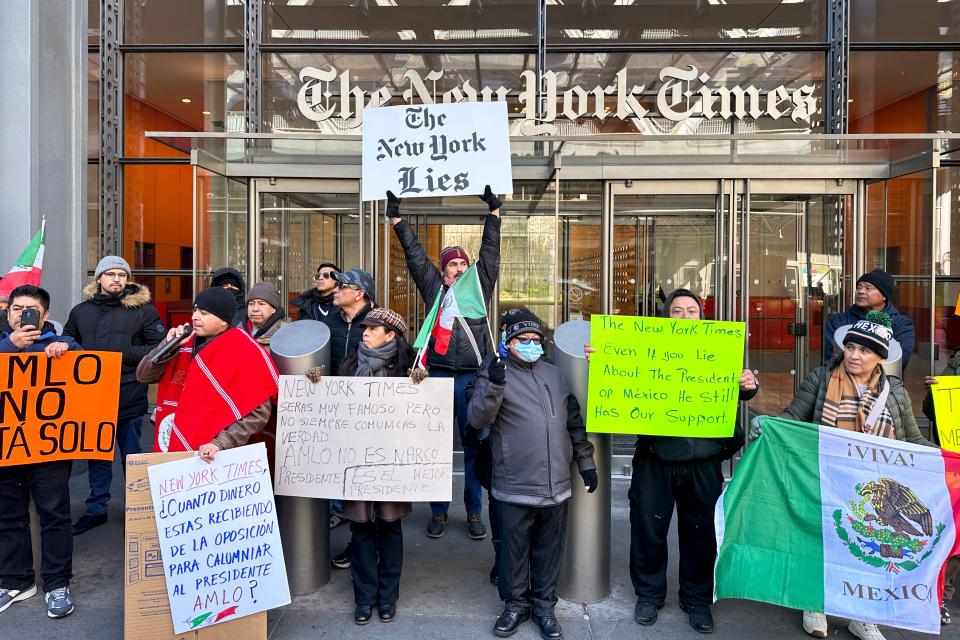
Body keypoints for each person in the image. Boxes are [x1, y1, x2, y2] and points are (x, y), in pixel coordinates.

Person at [585, 289, 757, 635]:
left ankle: (696, 599)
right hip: (655, 458)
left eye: (691, 310)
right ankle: (649, 594)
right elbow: (620, 377)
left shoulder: (718, 350)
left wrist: (748, 385)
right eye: (676, 311)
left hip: (704, 460)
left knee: (702, 532)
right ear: (667, 318)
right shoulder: (649, 349)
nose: (684, 316)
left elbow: (738, 390)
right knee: (648, 529)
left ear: (701, 316)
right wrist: (602, 361)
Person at [775, 310, 933, 640]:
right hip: (827, 478)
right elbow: (793, 417)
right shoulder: (820, 379)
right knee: (821, 541)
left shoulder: (896, 393)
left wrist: (943, 457)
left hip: (879, 490)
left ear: (879, 358)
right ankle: (814, 604)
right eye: (851, 348)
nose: (855, 356)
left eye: (865, 351)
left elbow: (912, 439)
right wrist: (770, 426)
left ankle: (863, 616)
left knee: (871, 546)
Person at [468, 311, 597, 640]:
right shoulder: (494, 374)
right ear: (508, 343)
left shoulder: (555, 375)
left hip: (556, 486)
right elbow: (478, 419)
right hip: (514, 485)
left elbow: (574, 424)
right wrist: (495, 384)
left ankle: (544, 607)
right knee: (513, 551)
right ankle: (515, 605)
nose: (531, 345)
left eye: (536, 341)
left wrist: (586, 463)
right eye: (523, 341)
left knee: (548, 551)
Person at [387, 186, 502, 540]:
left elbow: (491, 253)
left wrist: (494, 213)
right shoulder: (434, 287)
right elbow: (415, 257)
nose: (457, 268)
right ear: (444, 268)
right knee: (434, 448)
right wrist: (398, 220)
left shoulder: (479, 288)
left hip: (471, 379)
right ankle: (438, 512)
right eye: (451, 263)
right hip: (437, 376)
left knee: (473, 446)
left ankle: (472, 511)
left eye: (462, 263)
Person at [63, 256, 165, 535]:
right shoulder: (80, 311)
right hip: (93, 396)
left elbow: (158, 348)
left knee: (131, 455)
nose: (117, 279)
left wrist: (120, 354)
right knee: (97, 455)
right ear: (99, 279)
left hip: (129, 393)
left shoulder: (143, 311)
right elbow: (68, 341)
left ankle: (139, 509)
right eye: (110, 274)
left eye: (122, 274)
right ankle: (97, 509)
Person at [0, 285, 80, 619]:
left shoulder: (64, 345)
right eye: (16, 308)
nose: (22, 314)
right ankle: (17, 581)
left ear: (45, 315)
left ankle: (57, 583)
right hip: (7, 447)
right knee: (8, 517)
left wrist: (70, 352)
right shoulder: (3, 344)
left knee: (55, 515)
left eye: (30, 309)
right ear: (7, 313)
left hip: (50, 450)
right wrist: (9, 347)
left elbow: (89, 379)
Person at [337, 307, 416, 625]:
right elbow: (334, 404)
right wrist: (317, 382)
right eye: (364, 328)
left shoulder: (407, 370)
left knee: (390, 528)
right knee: (361, 530)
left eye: (373, 328)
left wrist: (420, 387)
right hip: (356, 461)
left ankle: (388, 597)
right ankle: (364, 597)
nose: (365, 332)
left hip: (392, 462)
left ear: (391, 335)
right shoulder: (350, 363)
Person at [136, 287, 278, 459]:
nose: (195, 317)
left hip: (219, 454)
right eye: (195, 310)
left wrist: (221, 442)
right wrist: (167, 345)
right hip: (174, 443)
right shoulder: (182, 342)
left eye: (203, 313)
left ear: (223, 320)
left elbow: (258, 412)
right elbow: (143, 376)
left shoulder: (244, 350)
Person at [921, 348, 960, 626]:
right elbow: (930, 410)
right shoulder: (956, 361)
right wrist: (934, 391)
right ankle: (942, 595)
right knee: (954, 534)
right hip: (955, 460)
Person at [824, 269, 915, 372]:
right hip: (842, 383)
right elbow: (831, 358)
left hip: (885, 385)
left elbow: (899, 361)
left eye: (868, 288)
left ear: (884, 296)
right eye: (859, 288)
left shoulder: (901, 324)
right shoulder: (838, 321)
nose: (861, 292)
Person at [328, 268, 376, 376]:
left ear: (359, 294)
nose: (335, 290)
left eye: (342, 286)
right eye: (336, 285)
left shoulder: (379, 324)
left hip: (367, 389)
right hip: (333, 389)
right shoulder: (328, 323)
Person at [242, 281, 286, 346]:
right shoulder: (238, 330)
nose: (255, 309)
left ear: (273, 309)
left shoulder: (286, 333)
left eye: (261, 304)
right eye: (251, 304)